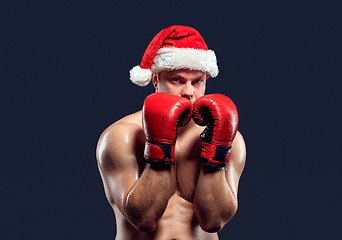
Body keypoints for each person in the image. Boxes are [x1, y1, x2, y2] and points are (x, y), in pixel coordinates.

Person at [96, 25, 246, 240]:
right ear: (156, 80)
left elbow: (214, 221)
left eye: (197, 81)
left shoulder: (228, 135)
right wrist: (160, 146)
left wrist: (217, 151)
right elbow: (144, 220)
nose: (188, 92)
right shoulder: (121, 137)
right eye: (177, 80)